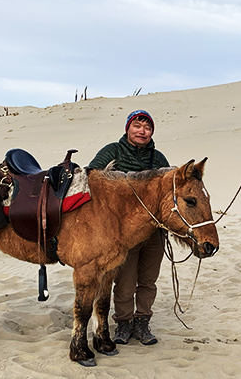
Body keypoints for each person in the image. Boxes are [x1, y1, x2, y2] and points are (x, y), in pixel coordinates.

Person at [88, 109, 169, 345]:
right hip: (123, 232)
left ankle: (142, 322)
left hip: (154, 230)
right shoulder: (112, 151)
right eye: (137, 125)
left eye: (147, 127)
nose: (142, 131)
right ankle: (123, 323)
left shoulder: (159, 159)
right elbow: (92, 175)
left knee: (148, 280)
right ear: (128, 128)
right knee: (124, 282)